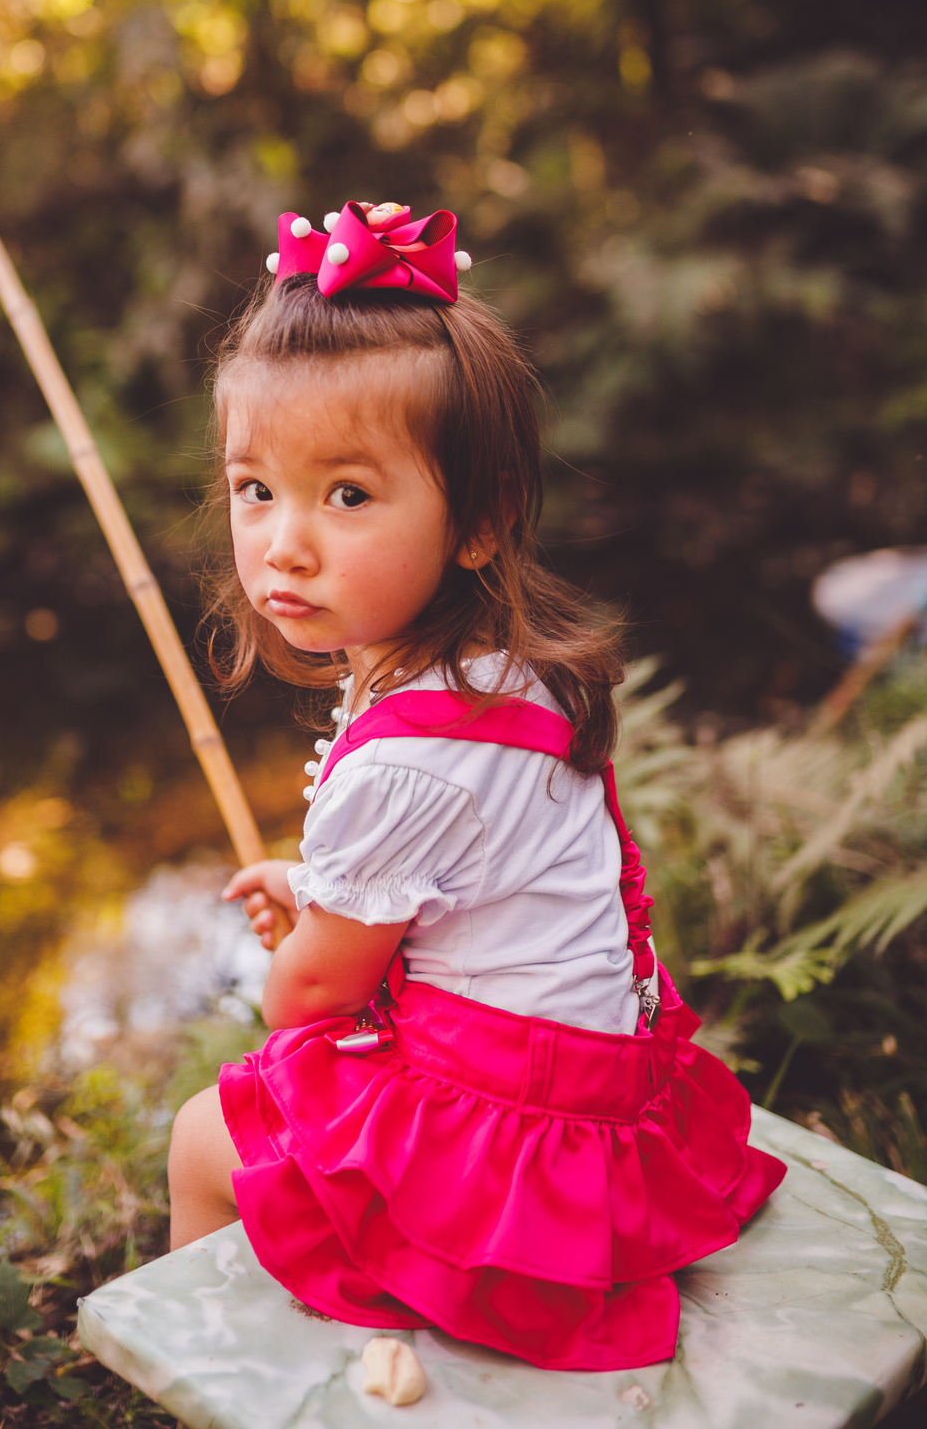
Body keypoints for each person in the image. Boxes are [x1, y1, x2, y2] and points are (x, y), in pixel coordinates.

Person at [167, 199, 784, 1371]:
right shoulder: (510, 673)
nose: (284, 543)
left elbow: (309, 999)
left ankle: (216, 1368)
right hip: (605, 1097)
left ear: (480, 522)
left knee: (209, 1136)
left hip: (523, 1156)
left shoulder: (402, 763)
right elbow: (469, 881)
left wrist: (304, 949)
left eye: (348, 496)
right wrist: (317, 887)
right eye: (256, 489)